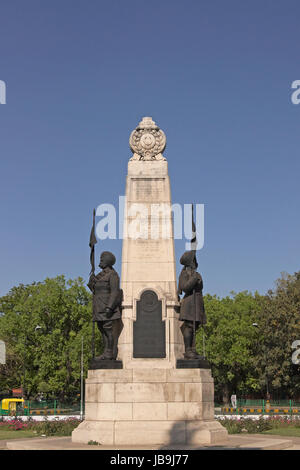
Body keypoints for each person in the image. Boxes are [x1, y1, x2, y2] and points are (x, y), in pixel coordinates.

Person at [88, 251, 123, 360]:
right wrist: (92, 281)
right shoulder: (100, 275)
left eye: (102, 260)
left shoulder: (112, 275)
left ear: (108, 261)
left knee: (108, 330)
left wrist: (110, 307)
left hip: (106, 308)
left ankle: (110, 352)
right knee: (102, 330)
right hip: (98, 307)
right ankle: (105, 351)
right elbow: (94, 290)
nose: (100, 262)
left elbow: (114, 292)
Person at [178, 250, 206, 359]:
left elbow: (200, 287)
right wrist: (194, 279)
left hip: (197, 302)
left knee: (195, 326)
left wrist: (195, 278)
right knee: (189, 326)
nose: (195, 262)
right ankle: (188, 350)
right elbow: (185, 287)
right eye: (193, 260)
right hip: (189, 303)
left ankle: (193, 349)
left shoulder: (196, 274)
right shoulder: (184, 274)